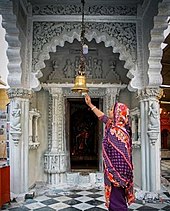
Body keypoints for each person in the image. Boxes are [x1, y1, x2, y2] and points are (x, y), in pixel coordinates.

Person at [85, 94, 135, 211]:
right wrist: (90, 104)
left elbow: (123, 155)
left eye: (112, 109)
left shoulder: (120, 131)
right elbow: (102, 117)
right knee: (114, 200)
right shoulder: (112, 126)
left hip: (119, 173)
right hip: (113, 172)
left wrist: (117, 175)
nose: (109, 111)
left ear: (118, 113)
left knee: (117, 203)